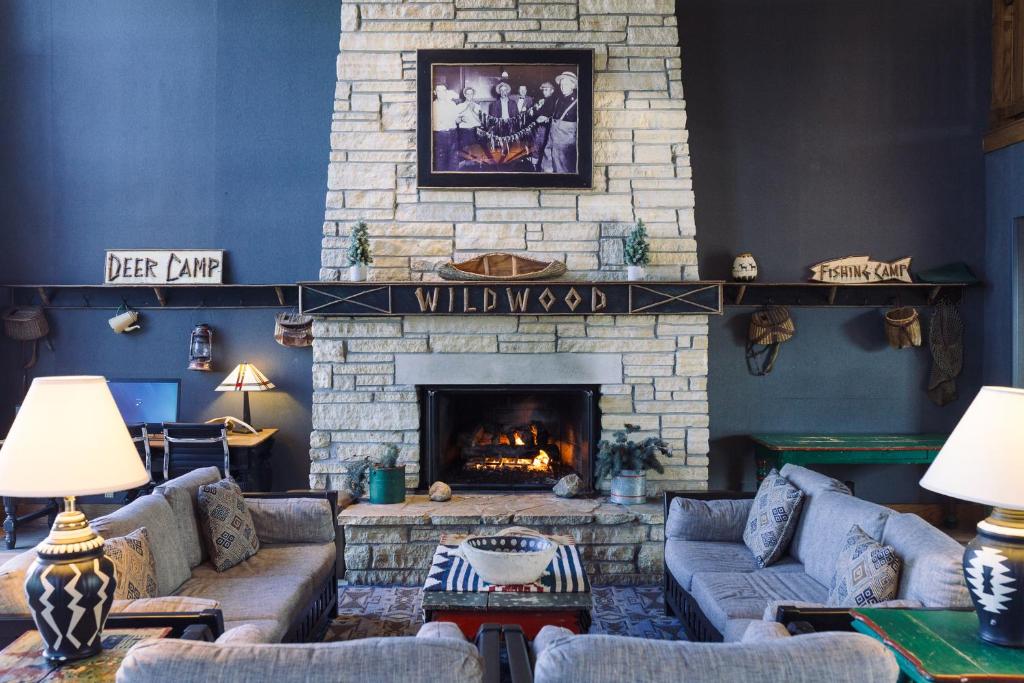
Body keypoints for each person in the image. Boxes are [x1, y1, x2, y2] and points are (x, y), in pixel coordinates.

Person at [543, 71, 579, 174]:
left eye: (566, 84)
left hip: (565, 147)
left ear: (573, 85)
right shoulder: (558, 100)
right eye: (561, 84)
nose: (562, 87)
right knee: (547, 167)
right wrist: (548, 118)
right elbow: (557, 118)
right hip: (551, 141)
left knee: (562, 171)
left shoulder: (578, 102)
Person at [432, 82, 459, 171]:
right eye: (439, 91)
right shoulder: (432, 105)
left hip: (452, 134)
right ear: (435, 92)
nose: (442, 93)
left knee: (454, 159)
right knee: (440, 160)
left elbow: (456, 120)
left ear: (446, 92)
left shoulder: (452, 104)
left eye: (444, 91)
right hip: (439, 135)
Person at [529, 81, 556, 171]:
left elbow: (543, 115)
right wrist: (536, 108)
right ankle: (536, 167)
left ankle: (536, 168)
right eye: (543, 90)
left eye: (546, 90)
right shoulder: (545, 100)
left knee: (538, 147)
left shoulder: (552, 101)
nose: (544, 92)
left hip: (544, 128)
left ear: (552, 91)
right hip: (540, 128)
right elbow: (538, 115)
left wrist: (536, 110)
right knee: (538, 147)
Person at [455, 86, 484, 157]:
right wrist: (461, 119)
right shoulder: (459, 106)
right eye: (467, 94)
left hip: (476, 131)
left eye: (471, 94)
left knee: (476, 154)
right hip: (464, 132)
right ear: (464, 95)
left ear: (473, 94)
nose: (469, 95)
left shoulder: (477, 106)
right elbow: (456, 121)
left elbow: (481, 121)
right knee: (465, 154)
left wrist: (473, 110)